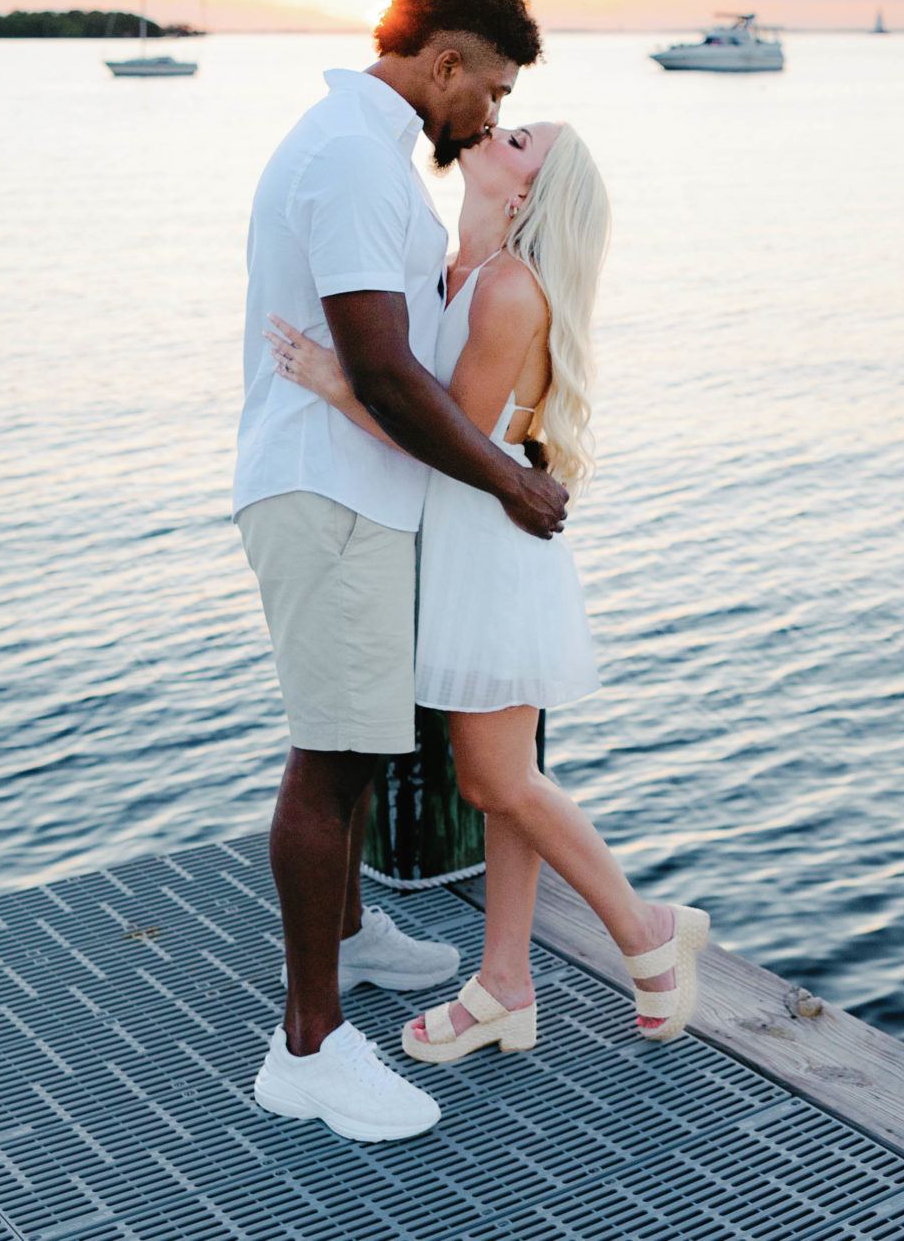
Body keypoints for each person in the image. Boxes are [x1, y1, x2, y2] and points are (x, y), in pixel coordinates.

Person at [269, 118, 712, 1072]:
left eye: (520, 140)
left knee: (493, 780)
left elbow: (447, 439)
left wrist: (336, 384)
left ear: (526, 194)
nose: (496, 130)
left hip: (493, 552)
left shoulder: (508, 288)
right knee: (508, 779)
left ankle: (645, 928)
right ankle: (504, 985)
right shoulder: (452, 269)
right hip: (466, 548)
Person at [233, 0, 566, 1143]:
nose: (490, 113)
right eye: (491, 89)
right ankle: (309, 1050)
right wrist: (510, 484)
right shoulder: (355, 159)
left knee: (362, 737)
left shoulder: (364, 152)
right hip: (326, 494)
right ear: (444, 65)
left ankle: (348, 939)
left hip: (351, 494)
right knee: (328, 759)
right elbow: (380, 368)